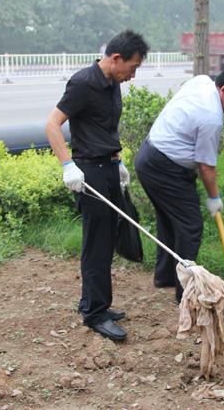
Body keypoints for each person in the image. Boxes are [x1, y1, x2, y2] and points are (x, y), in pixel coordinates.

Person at [45, 30, 149, 342]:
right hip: (89, 172)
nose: (133, 75)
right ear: (116, 58)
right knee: (97, 244)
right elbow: (52, 124)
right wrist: (68, 165)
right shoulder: (83, 83)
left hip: (109, 167)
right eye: (132, 67)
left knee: (108, 238)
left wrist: (118, 161)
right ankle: (94, 314)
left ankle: (93, 302)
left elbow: (104, 129)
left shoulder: (113, 84)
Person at [134, 66, 224, 303]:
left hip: (148, 157)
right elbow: (206, 166)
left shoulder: (201, 81)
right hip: (165, 167)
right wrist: (214, 197)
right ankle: (186, 293)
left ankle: (166, 276)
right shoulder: (211, 118)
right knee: (190, 226)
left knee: (170, 219)